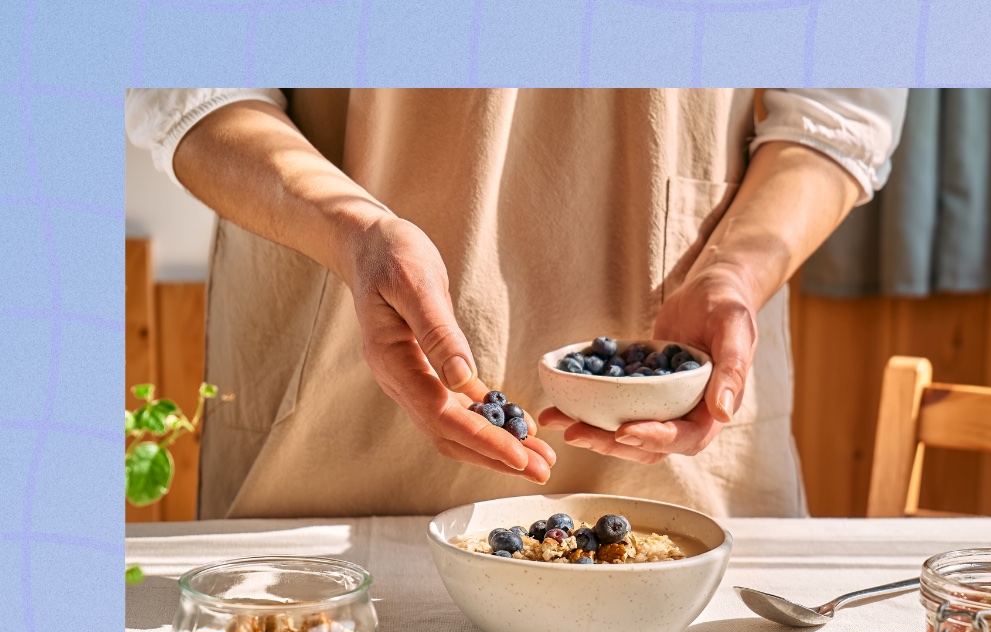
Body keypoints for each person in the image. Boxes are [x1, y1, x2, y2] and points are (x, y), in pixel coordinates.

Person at [127, 88, 907, 519]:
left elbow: (838, 110)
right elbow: (190, 83)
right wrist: (354, 231)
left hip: (681, 481)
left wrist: (736, 268)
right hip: (327, 431)